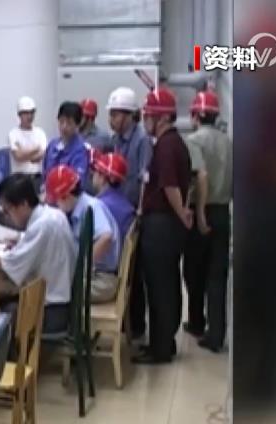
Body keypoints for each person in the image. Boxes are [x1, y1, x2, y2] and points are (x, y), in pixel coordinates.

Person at [0, 174, 76, 333]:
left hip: (50, 312)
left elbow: (8, 263)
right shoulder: (54, 215)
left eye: (7, 210)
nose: (7, 216)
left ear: (24, 204)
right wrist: (22, 240)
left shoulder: (42, 226)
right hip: (60, 304)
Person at [133, 87, 192, 365]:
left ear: (162, 118)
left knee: (160, 287)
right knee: (164, 284)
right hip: (164, 224)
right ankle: (163, 342)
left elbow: (170, 185)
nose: (145, 120)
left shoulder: (167, 146)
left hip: (162, 226)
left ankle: (161, 348)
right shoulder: (171, 143)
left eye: (148, 115)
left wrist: (182, 214)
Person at [182, 90, 232, 353]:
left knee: (193, 270)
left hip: (201, 211)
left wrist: (200, 213)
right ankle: (217, 334)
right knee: (217, 275)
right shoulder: (229, 142)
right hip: (223, 212)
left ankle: (197, 322)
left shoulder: (193, 141)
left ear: (195, 116)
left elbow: (199, 176)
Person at [105, 86, 152, 340]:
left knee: (135, 273)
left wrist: (141, 212)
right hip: (117, 212)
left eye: (115, 114)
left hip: (133, 214)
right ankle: (124, 322)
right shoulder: (115, 141)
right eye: (111, 114)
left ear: (129, 115)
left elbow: (145, 178)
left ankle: (137, 325)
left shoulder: (142, 140)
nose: (111, 119)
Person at [45, 165, 122, 303]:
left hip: (103, 280)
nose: (57, 206)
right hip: (94, 276)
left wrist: (82, 266)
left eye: (57, 202)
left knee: (55, 293)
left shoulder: (91, 207)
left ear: (66, 196)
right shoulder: (78, 209)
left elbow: (106, 237)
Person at [41, 102, 89, 188]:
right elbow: (45, 173)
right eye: (61, 122)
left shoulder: (81, 149)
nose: (64, 127)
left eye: (69, 123)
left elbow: (77, 181)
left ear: (78, 124)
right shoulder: (52, 145)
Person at [91, 153, 135, 240]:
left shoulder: (98, 205)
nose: (92, 174)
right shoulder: (128, 205)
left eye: (96, 170)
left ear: (103, 178)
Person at [7, 96, 48, 188]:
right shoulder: (13, 134)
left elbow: (41, 155)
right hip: (19, 179)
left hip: (36, 179)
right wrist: (36, 148)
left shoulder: (40, 133)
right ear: (19, 114)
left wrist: (24, 152)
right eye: (26, 113)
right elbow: (18, 156)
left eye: (32, 112)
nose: (29, 116)